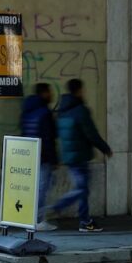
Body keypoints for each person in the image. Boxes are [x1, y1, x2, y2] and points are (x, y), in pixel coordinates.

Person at [43, 78, 112, 232]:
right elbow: (91, 134)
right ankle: (58, 207)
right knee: (82, 189)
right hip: (80, 156)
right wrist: (105, 148)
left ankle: (85, 221)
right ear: (79, 90)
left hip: (68, 155)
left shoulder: (62, 110)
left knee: (83, 189)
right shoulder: (80, 110)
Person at [21, 83, 60, 231]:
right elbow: (48, 138)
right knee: (42, 188)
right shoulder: (45, 113)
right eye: (49, 92)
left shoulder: (27, 111)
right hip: (43, 157)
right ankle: (37, 220)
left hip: (29, 155)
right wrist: (54, 159)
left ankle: (29, 218)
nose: (51, 94)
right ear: (44, 93)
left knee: (33, 189)